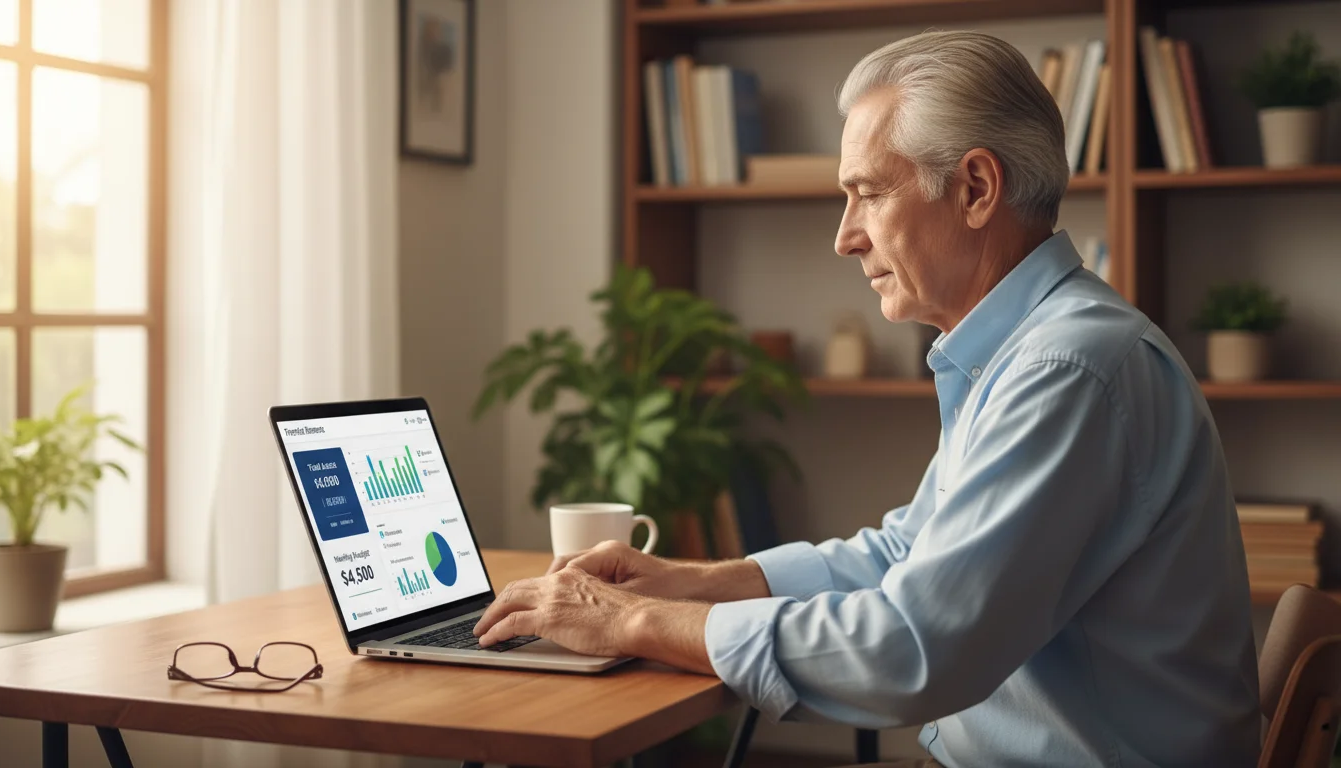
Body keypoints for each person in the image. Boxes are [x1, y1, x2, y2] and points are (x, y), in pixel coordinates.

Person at [474, 30, 1260, 767]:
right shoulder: (1033, 351)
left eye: (868, 194)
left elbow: (912, 647)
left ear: (977, 188)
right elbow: (905, 556)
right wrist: (687, 581)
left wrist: (632, 621)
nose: (846, 236)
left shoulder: (1068, 369)